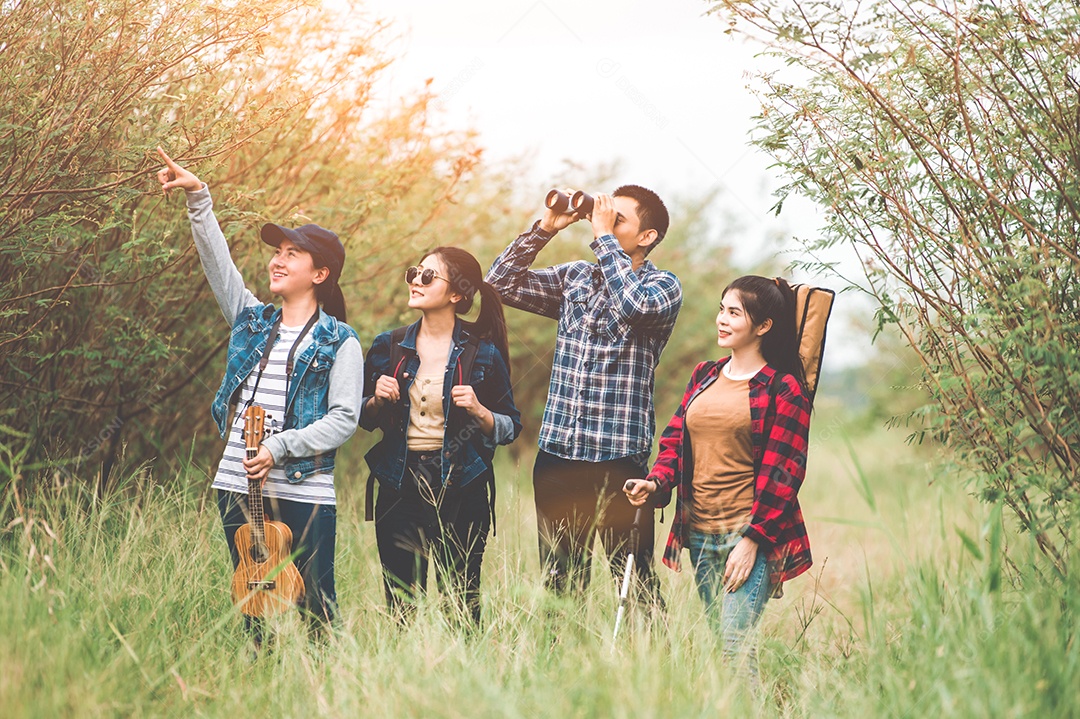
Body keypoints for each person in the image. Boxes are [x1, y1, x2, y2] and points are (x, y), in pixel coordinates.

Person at [156, 148, 363, 647]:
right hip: (235, 481)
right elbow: (219, 268)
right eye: (277, 252)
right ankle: (259, 684)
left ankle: (325, 695)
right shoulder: (252, 322)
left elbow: (344, 419)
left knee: (316, 605)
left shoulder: (340, 341)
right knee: (253, 604)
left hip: (303, 489)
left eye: (293, 254)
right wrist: (198, 198)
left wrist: (280, 447)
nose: (277, 260)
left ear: (320, 274)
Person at [486, 186, 682, 601]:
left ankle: (650, 659)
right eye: (603, 215)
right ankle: (564, 660)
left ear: (647, 237)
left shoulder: (663, 286)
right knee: (560, 581)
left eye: (618, 219)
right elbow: (497, 286)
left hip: (620, 459)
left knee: (633, 582)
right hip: (559, 455)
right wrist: (546, 229)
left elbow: (635, 307)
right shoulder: (576, 277)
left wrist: (604, 238)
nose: (604, 224)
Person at [624, 275, 813, 678]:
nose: (721, 320)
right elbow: (675, 440)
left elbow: (786, 471)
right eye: (721, 309)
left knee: (733, 649)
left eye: (734, 313)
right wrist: (656, 483)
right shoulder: (705, 375)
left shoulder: (783, 389)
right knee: (723, 645)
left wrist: (752, 540)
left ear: (763, 327)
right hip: (701, 532)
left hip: (750, 534)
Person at [360, 247, 521, 627]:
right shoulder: (388, 346)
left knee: (461, 606)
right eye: (414, 272)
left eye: (428, 275)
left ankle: (463, 679)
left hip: (462, 486)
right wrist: (375, 399)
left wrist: (481, 412)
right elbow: (360, 418)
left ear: (456, 294)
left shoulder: (483, 355)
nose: (416, 279)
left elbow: (511, 425)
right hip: (399, 486)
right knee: (401, 606)